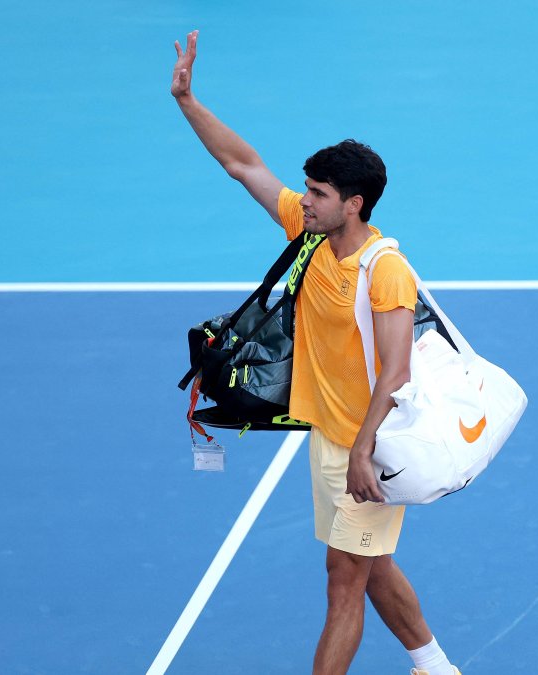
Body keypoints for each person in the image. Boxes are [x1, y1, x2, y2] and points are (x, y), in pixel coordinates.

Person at [171, 30, 461, 675]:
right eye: (306, 189)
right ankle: (436, 666)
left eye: (319, 193)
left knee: (342, 582)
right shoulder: (308, 235)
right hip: (327, 435)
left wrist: (361, 452)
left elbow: (397, 369)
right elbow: (242, 165)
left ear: (353, 204)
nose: (305, 199)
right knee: (367, 561)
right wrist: (188, 101)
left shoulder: (386, 272)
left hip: (368, 444)